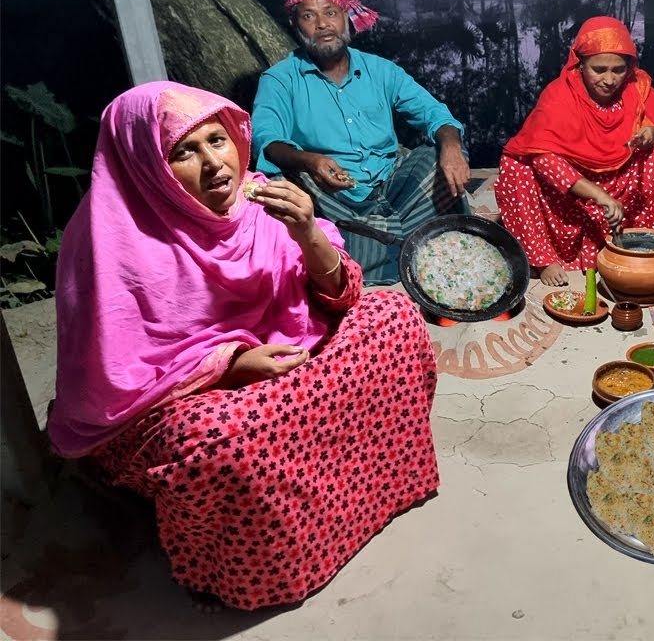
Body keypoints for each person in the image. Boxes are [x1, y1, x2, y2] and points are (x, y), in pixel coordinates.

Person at [49, 82, 440, 611]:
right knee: (222, 439)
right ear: (147, 166)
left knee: (393, 317)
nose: (215, 164)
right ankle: (257, 570)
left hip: (285, 353)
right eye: (183, 152)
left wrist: (308, 232)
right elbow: (115, 376)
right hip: (178, 398)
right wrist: (231, 364)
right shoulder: (111, 243)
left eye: (217, 139)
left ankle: (377, 488)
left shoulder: (257, 202)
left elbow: (345, 294)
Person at [251, 0, 470, 284]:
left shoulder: (380, 70)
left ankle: (378, 242)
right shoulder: (280, 79)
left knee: (442, 152)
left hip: (391, 184)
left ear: (345, 17)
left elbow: (434, 112)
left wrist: (449, 147)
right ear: (294, 24)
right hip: (331, 194)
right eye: (309, 16)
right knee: (284, 183)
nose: (323, 24)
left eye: (330, 12)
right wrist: (310, 161)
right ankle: (406, 242)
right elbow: (267, 140)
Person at [496, 16, 654, 286]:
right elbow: (542, 159)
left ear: (630, 67)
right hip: (571, 190)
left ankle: (644, 247)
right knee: (517, 167)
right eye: (598, 69)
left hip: (621, 181)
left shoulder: (638, 89)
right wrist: (598, 195)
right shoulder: (559, 95)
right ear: (580, 65)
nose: (610, 80)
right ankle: (544, 260)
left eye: (619, 70)